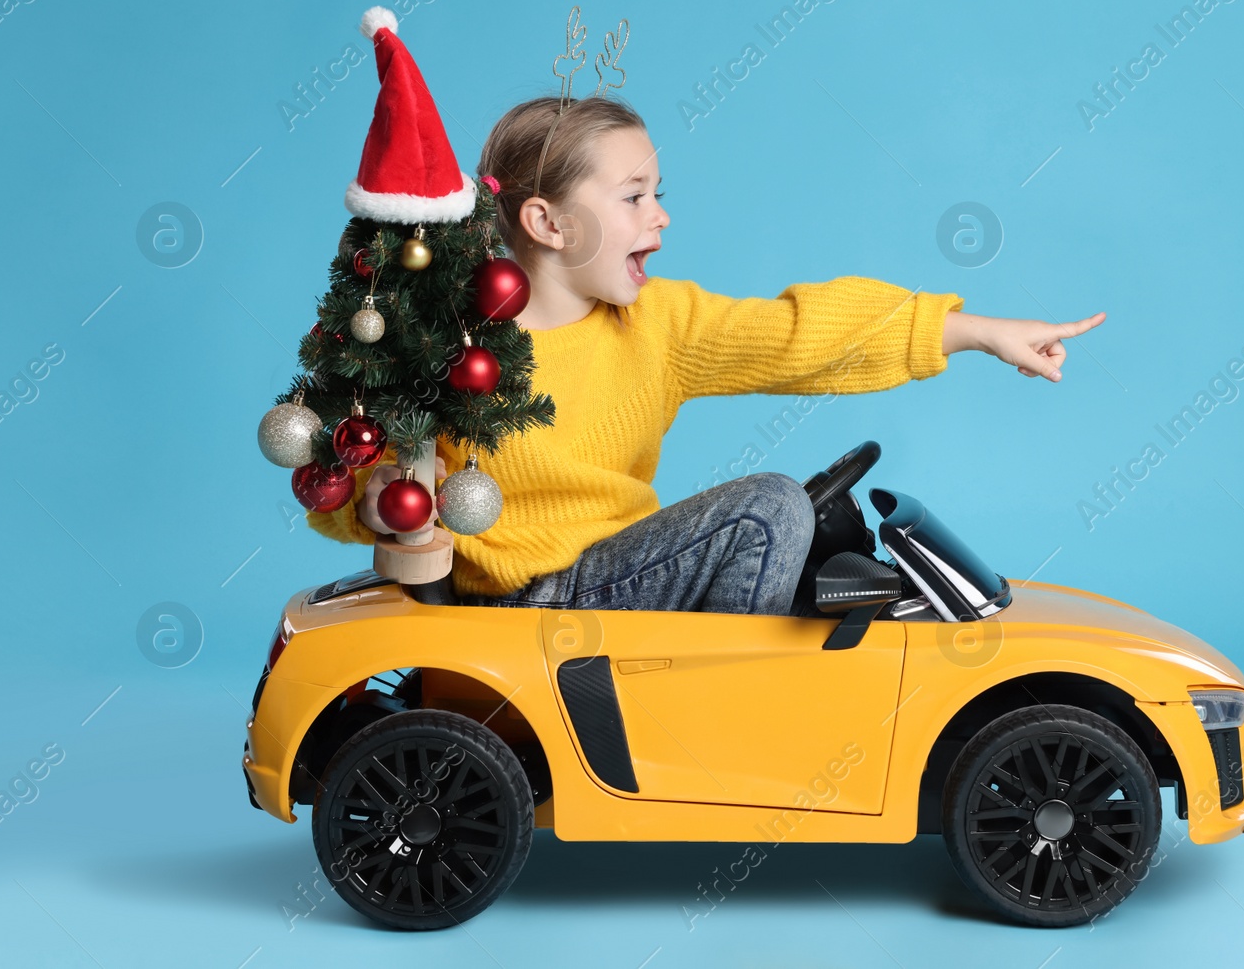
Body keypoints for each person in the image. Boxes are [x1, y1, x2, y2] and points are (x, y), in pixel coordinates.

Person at [312, 95, 1104, 615]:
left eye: (657, 191)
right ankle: (725, 723)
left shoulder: (657, 323)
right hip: (532, 609)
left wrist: (971, 330)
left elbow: (800, 334)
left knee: (815, 543)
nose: (660, 217)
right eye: (633, 197)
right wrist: (383, 501)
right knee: (768, 511)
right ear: (550, 224)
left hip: (614, 581)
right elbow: (354, 471)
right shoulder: (451, 346)